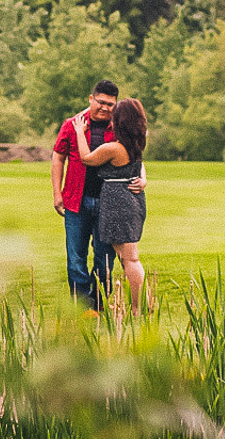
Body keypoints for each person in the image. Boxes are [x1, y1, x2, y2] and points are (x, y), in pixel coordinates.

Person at [50, 81, 145, 310]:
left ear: (115, 105)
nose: (105, 107)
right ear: (91, 99)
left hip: (108, 205)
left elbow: (135, 156)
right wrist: (57, 192)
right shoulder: (72, 124)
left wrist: (143, 178)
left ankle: (99, 304)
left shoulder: (119, 127)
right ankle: (81, 308)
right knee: (76, 259)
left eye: (110, 104)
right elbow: (58, 157)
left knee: (104, 261)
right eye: (101, 102)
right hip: (76, 201)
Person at [70, 98, 149, 312]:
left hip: (118, 204)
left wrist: (79, 132)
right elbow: (140, 166)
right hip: (132, 202)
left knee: (130, 259)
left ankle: (138, 308)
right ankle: (142, 304)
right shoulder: (137, 143)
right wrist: (143, 179)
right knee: (127, 257)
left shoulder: (113, 148)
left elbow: (87, 158)